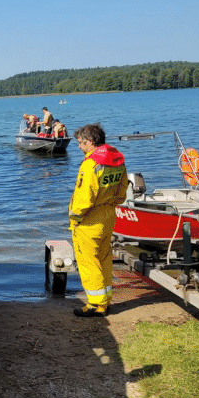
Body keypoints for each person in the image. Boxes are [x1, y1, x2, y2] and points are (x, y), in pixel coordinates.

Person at [69, 123, 128, 317]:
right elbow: (122, 192)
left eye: (81, 142)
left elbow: (85, 196)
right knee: (103, 258)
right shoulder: (117, 160)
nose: (79, 146)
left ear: (90, 141)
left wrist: (75, 217)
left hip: (90, 219)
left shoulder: (91, 165)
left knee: (88, 260)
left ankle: (96, 304)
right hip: (108, 215)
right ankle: (106, 298)